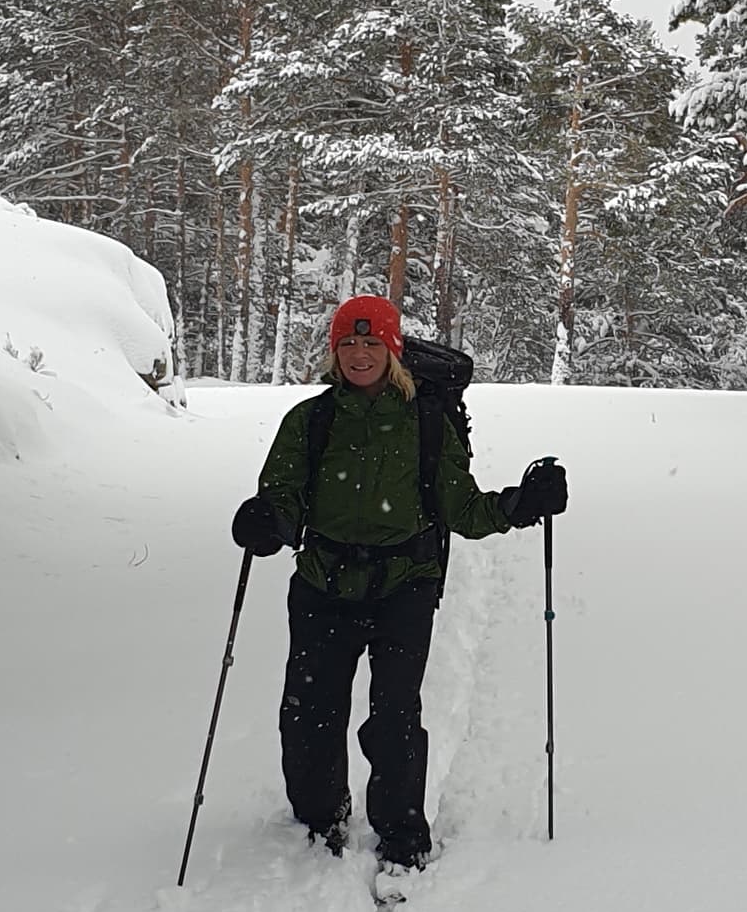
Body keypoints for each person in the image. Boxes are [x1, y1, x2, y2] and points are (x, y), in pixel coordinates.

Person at [230, 295, 566, 869]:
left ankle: (403, 836)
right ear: (334, 352)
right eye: (348, 344)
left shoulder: (426, 424)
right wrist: (269, 522)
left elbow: (462, 510)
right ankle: (316, 821)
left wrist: (519, 505)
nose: (360, 354)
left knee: (394, 717)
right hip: (321, 583)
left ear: (393, 352)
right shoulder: (310, 421)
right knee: (310, 711)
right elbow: (284, 495)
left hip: (403, 586)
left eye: (372, 343)